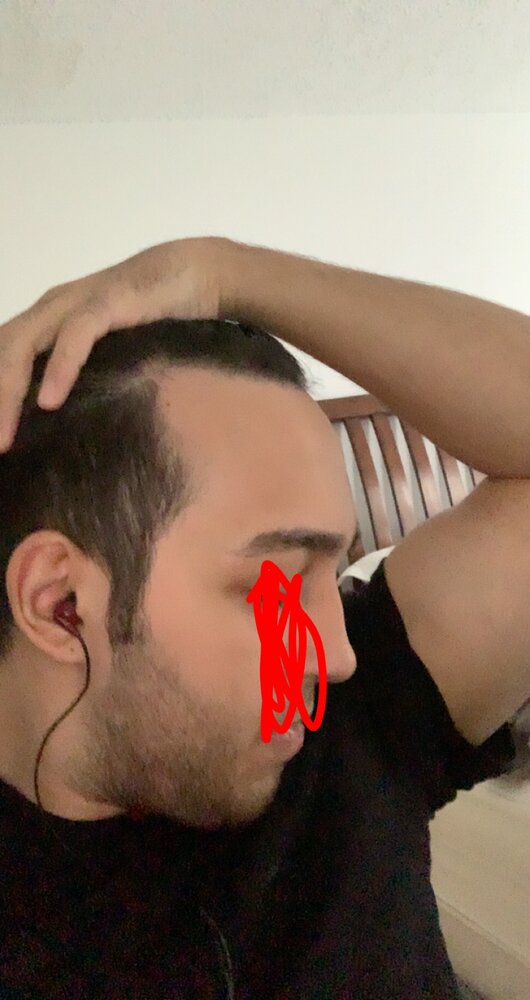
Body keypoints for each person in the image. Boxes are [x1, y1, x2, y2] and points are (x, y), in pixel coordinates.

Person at [0, 235, 528, 999]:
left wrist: (222, 271)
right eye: (276, 586)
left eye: (333, 567)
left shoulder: (356, 726)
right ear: (62, 605)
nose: (336, 656)